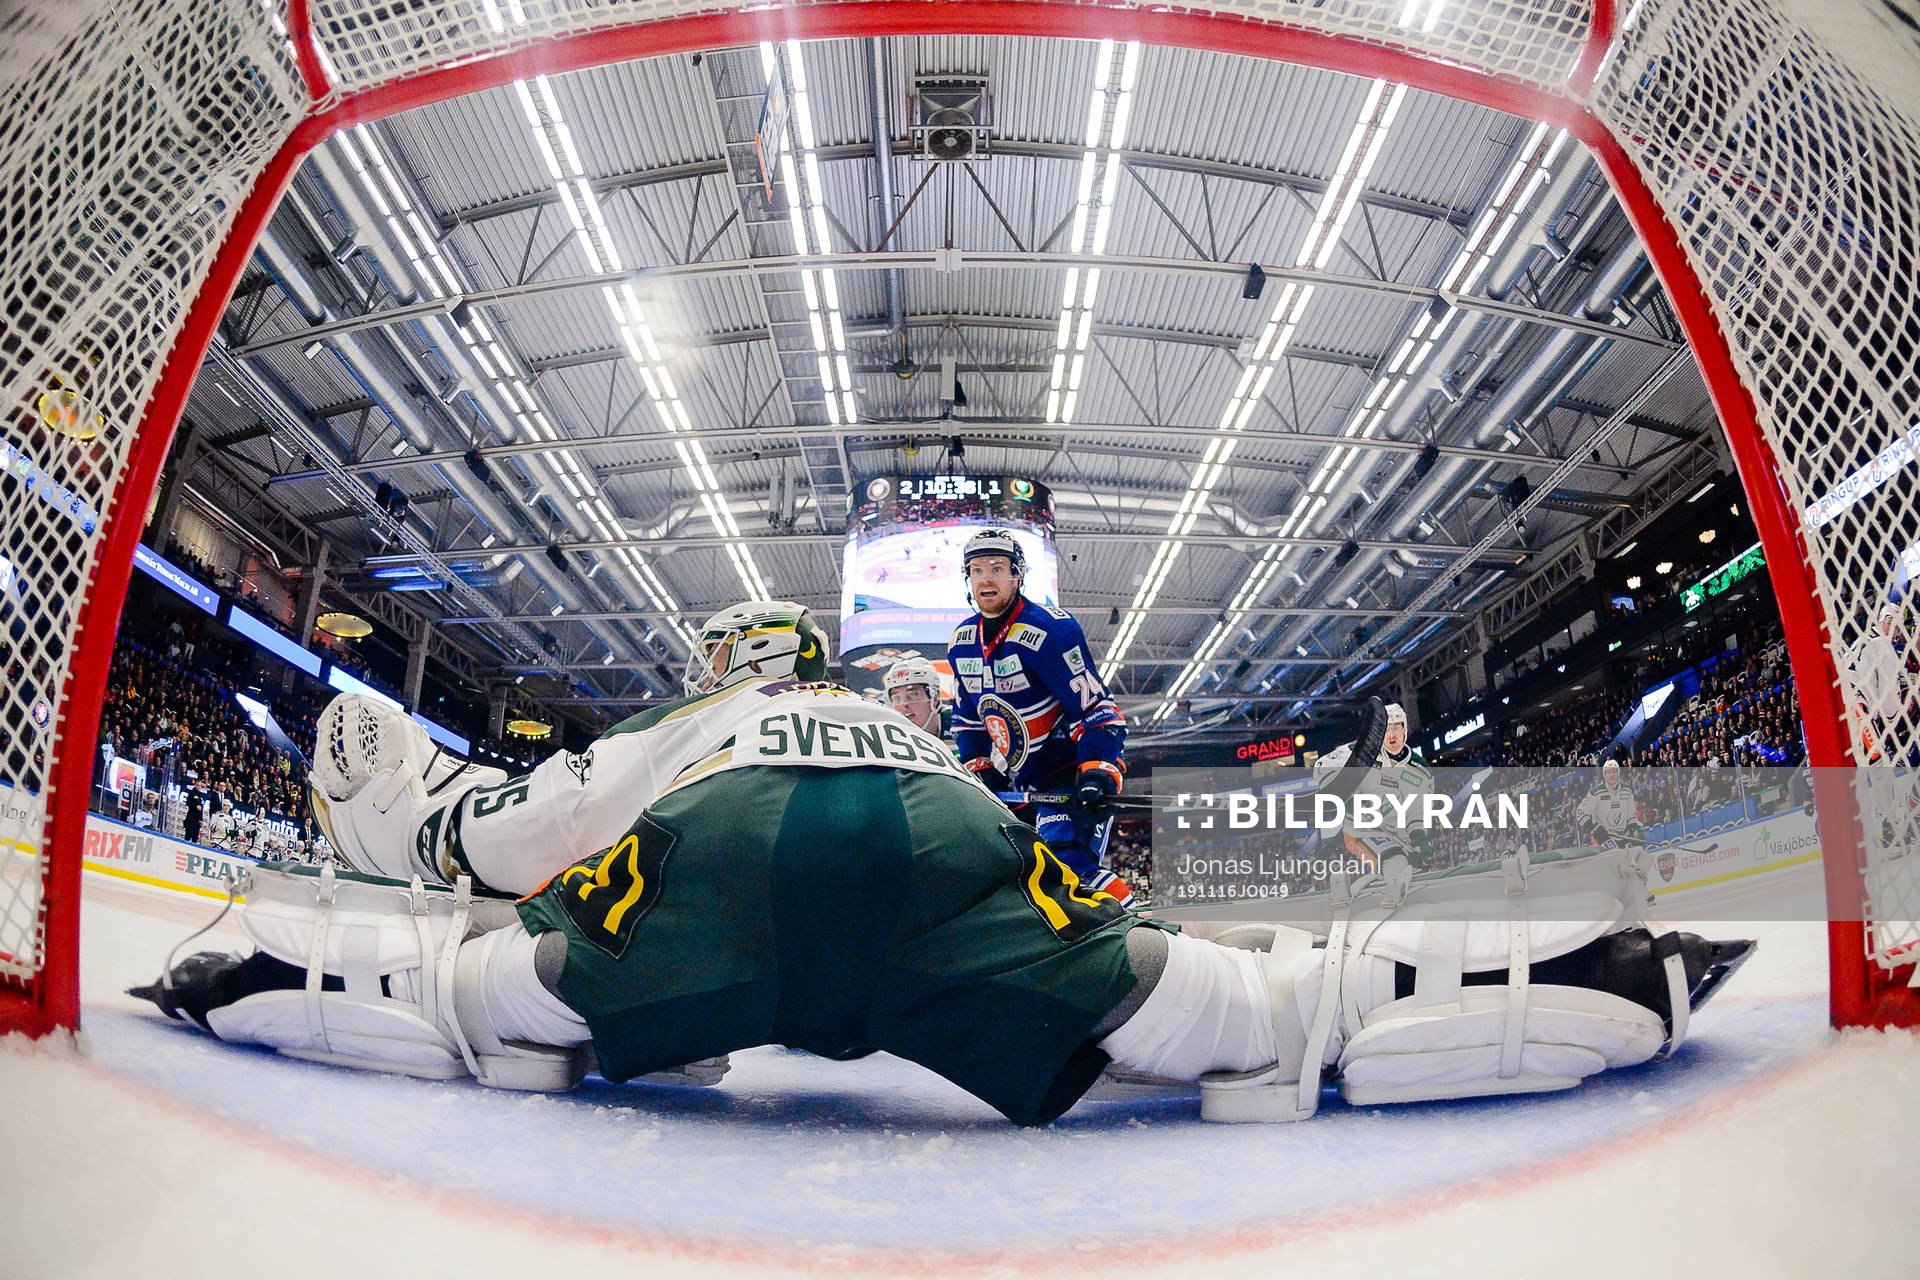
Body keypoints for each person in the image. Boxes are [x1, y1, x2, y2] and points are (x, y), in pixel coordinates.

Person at [135, 600, 1754, 1127]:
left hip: (719, 882)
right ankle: (1610, 974)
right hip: (937, 862)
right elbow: (1038, 857)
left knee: (475, 996)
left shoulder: (714, 714)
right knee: (1264, 1020)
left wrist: (425, 822)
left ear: (734, 652)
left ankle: (225, 974)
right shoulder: (909, 731)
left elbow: (512, 833)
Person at [945, 530, 1131, 899]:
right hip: (1021, 781)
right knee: (1018, 877)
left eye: (997, 568)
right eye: (977, 570)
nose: (985, 578)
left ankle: (1145, 935)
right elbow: (969, 723)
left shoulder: (1050, 629)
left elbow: (1096, 710)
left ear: (1017, 576)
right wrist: (983, 776)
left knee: (1068, 867)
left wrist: (1097, 771)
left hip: (1067, 771)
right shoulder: (961, 642)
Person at [1311, 702, 1435, 872]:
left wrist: (1420, 841)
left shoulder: (1421, 771)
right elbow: (1321, 765)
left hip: (1397, 834)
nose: (1391, 734)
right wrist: (1344, 793)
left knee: (1417, 867)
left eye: (1396, 728)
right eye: (1387, 729)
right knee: (1396, 863)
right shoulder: (1363, 749)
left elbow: (1417, 813)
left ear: (1405, 729)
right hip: (1361, 830)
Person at [1577, 758, 1644, 848]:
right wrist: (1594, 829)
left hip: (1624, 836)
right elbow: (1580, 812)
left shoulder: (1627, 791)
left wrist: (1634, 828)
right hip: (1603, 838)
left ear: (1618, 773)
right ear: (1604, 775)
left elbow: (1630, 815)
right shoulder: (1596, 792)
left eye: (1613, 772)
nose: (1611, 775)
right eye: (1608, 772)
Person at [882, 656, 945, 738]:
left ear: (935, 699)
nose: (903, 705)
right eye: (897, 698)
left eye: (912, 695)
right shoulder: (889, 736)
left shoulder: (961, 723)